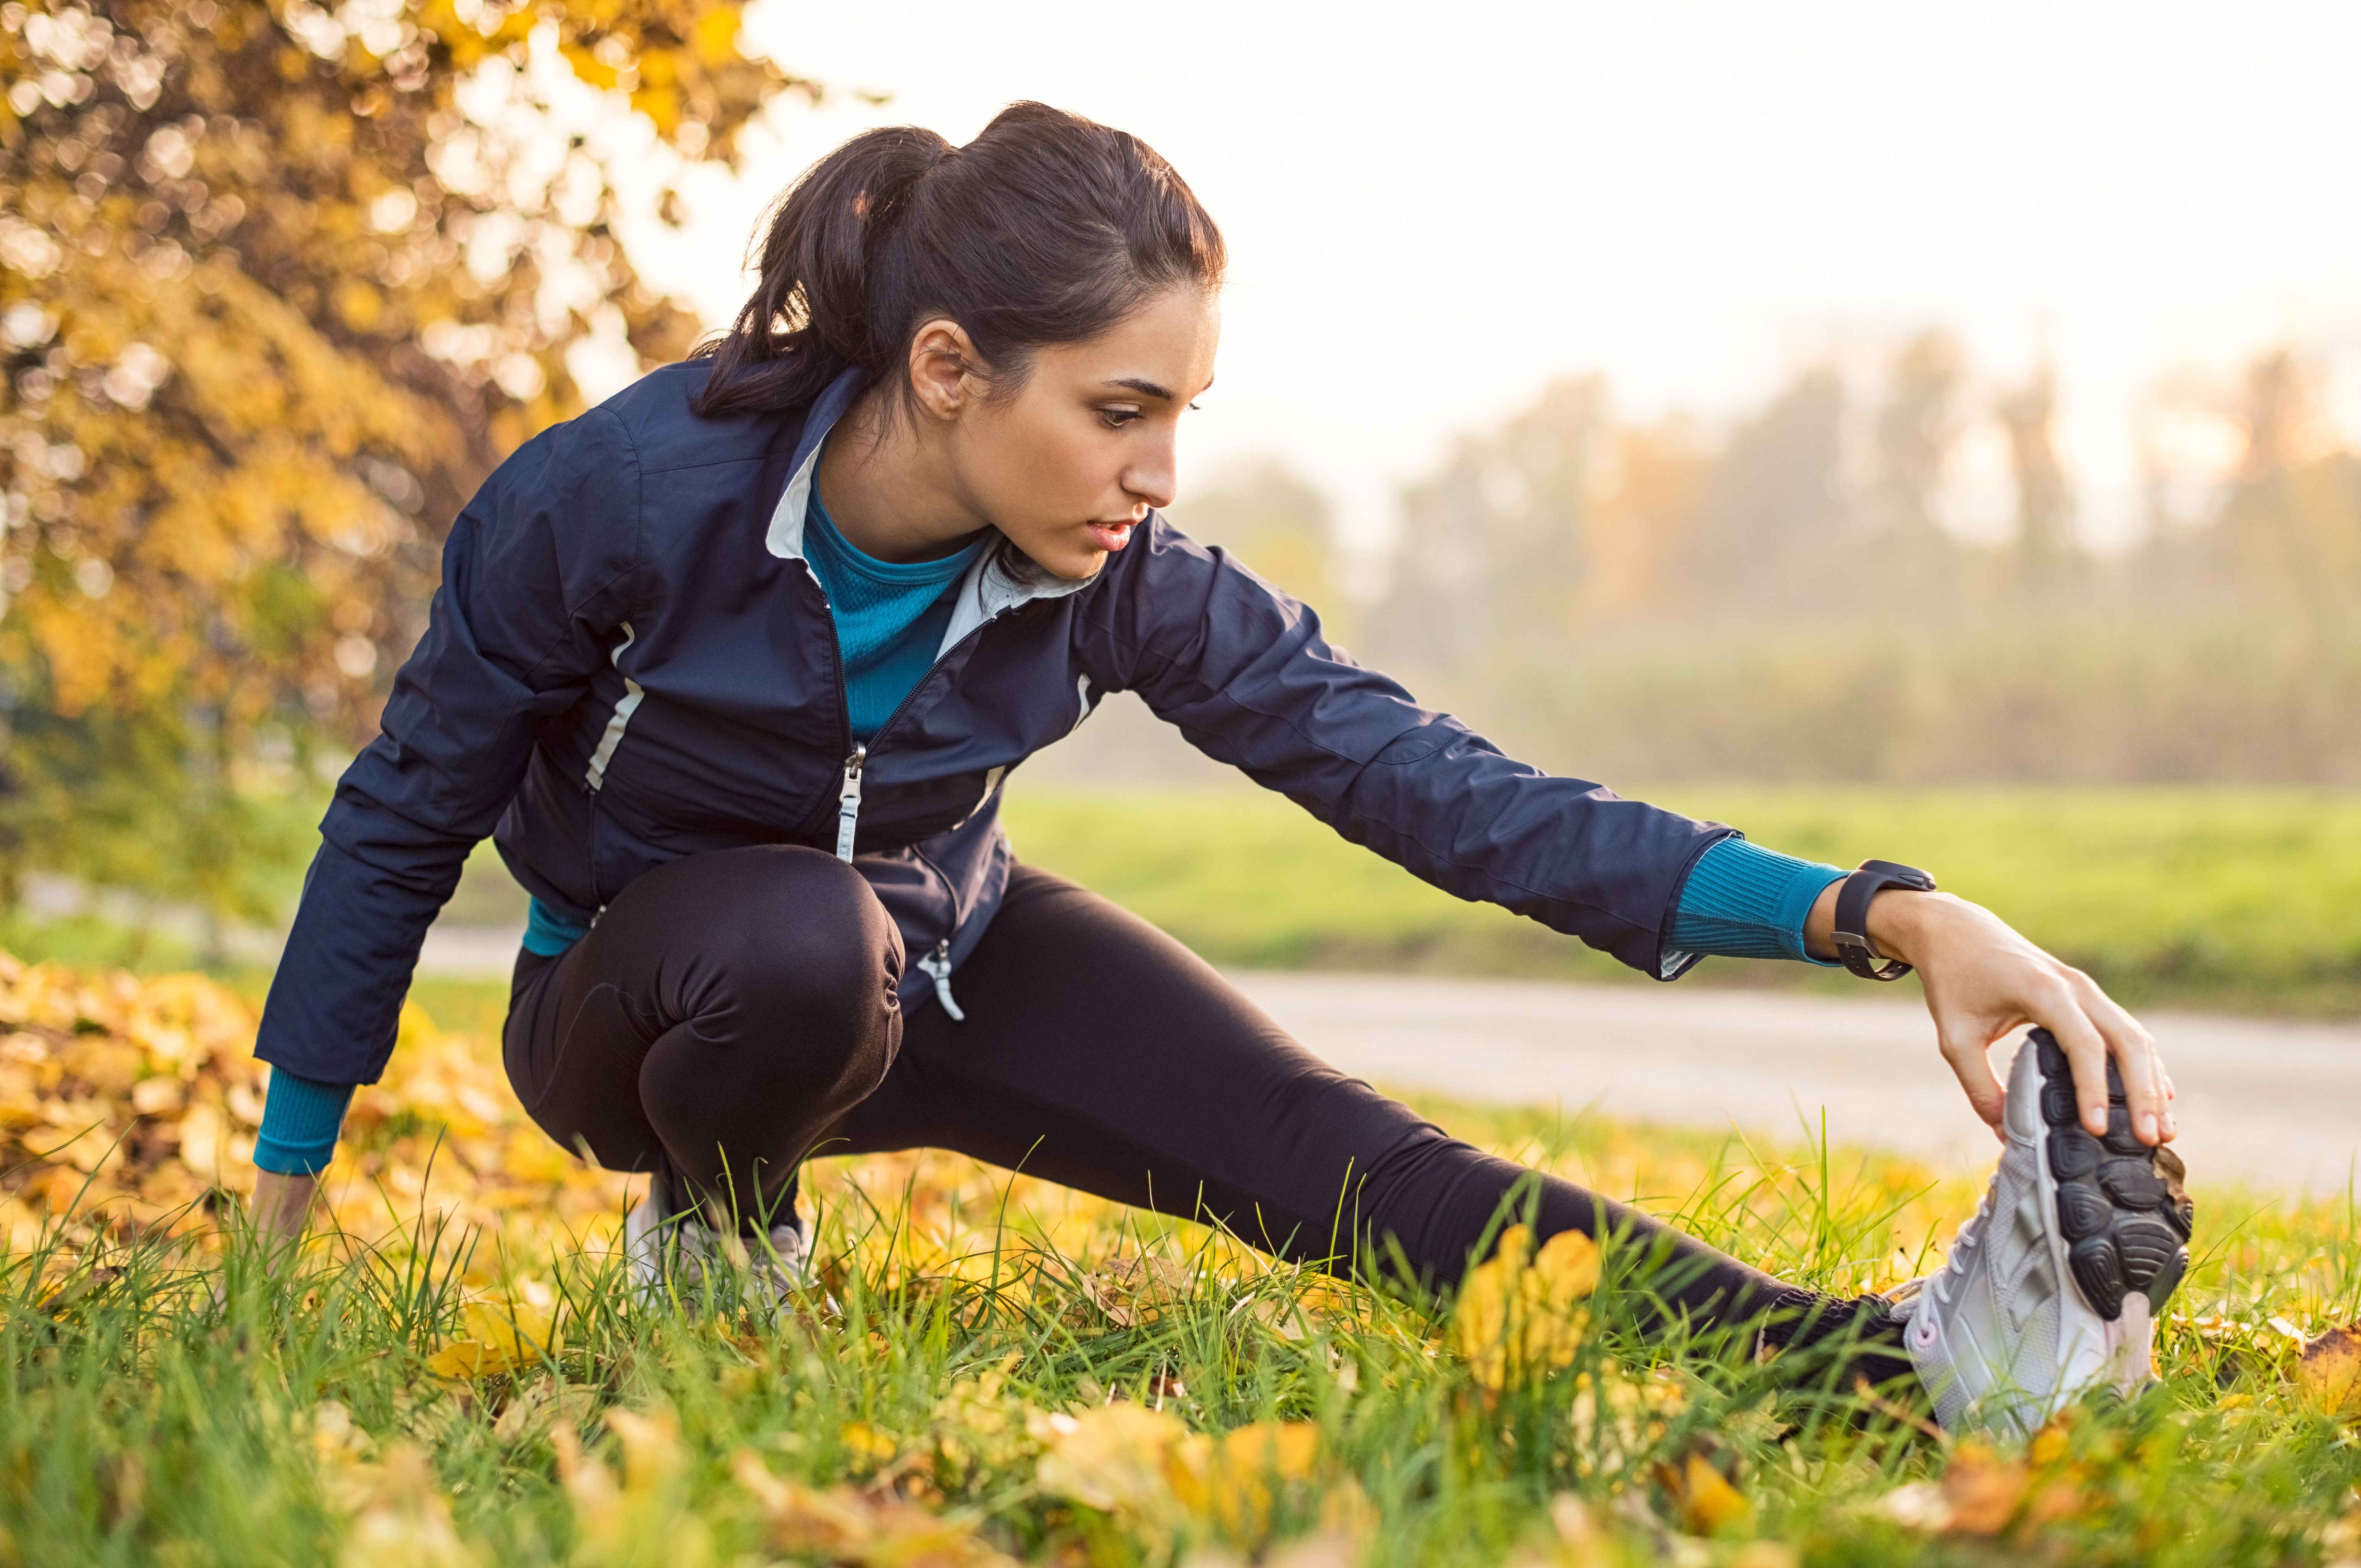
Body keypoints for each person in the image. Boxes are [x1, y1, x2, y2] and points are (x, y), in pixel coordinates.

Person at [248, 103, 2190, 1438]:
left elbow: (1442, 791)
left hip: (939, 948)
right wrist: (290, 1182)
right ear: (946, 371)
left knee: (1348, 1161)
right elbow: (406, 805)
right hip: (641, 1010)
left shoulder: (1124, 580)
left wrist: (1878, 909)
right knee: (796, 941)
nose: (1161, 473)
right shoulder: (620, 501)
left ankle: (1904, 1370)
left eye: (1182, 412)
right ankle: (720, 1229)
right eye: (1119, 411)